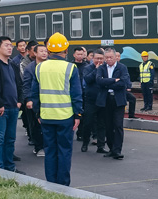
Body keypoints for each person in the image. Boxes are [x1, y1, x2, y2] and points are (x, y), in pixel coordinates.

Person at [29, 33, 83, 185]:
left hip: (46, 116)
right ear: (66, 50)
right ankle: (63, 183)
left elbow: (35, 94)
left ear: (49, 50)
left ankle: (51, 182)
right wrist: (78, 114)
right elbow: (76, 94)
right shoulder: (71, 68)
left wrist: (38, 113)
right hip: (65, 117)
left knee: (50, 150)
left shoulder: (39, 68)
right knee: (64, 151)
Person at [0, 36, 26, 172]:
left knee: (10, 139)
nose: (10, 48)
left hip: (13, 107)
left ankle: (10, 167)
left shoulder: (12, 65)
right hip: (0, 109)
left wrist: (20, 101)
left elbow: (20, 85)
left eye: (11, 46)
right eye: (6, 45)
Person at [94, 47, 131, 160]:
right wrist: (114, 80)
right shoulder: (101, 68)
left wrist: (107, 83)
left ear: (116, 57)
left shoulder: (122, 68)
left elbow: (123, 83)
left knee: (118, 125)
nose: (109, 59)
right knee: (108, 126)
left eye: (111, 57)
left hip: (118, 100)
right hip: (106, 100)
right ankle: (111, 148)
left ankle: (117, 150)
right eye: (107, 57)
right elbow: (99, 81)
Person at [23, 42, 49, 156]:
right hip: (34, 100)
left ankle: (47, 145)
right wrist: (28, 99)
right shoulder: (30, 68)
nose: (44, 53)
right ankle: (38, 147)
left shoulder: (50, 65)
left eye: (46, 51)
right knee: (35, 124)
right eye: (41, 51)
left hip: (48, 99)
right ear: (35, 53)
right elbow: (26, 85)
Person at [83, 50, 105, 152]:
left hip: (102, 99)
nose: (99, 61)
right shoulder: (88, 68)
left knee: (101, 123)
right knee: (88, 123)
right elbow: (87, 80)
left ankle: (101, 146)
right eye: (97, 59)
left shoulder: (106, 69)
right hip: (90, 100)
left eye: (101, 59)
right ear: (93, 59)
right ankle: (85, 142)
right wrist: (96, 70)